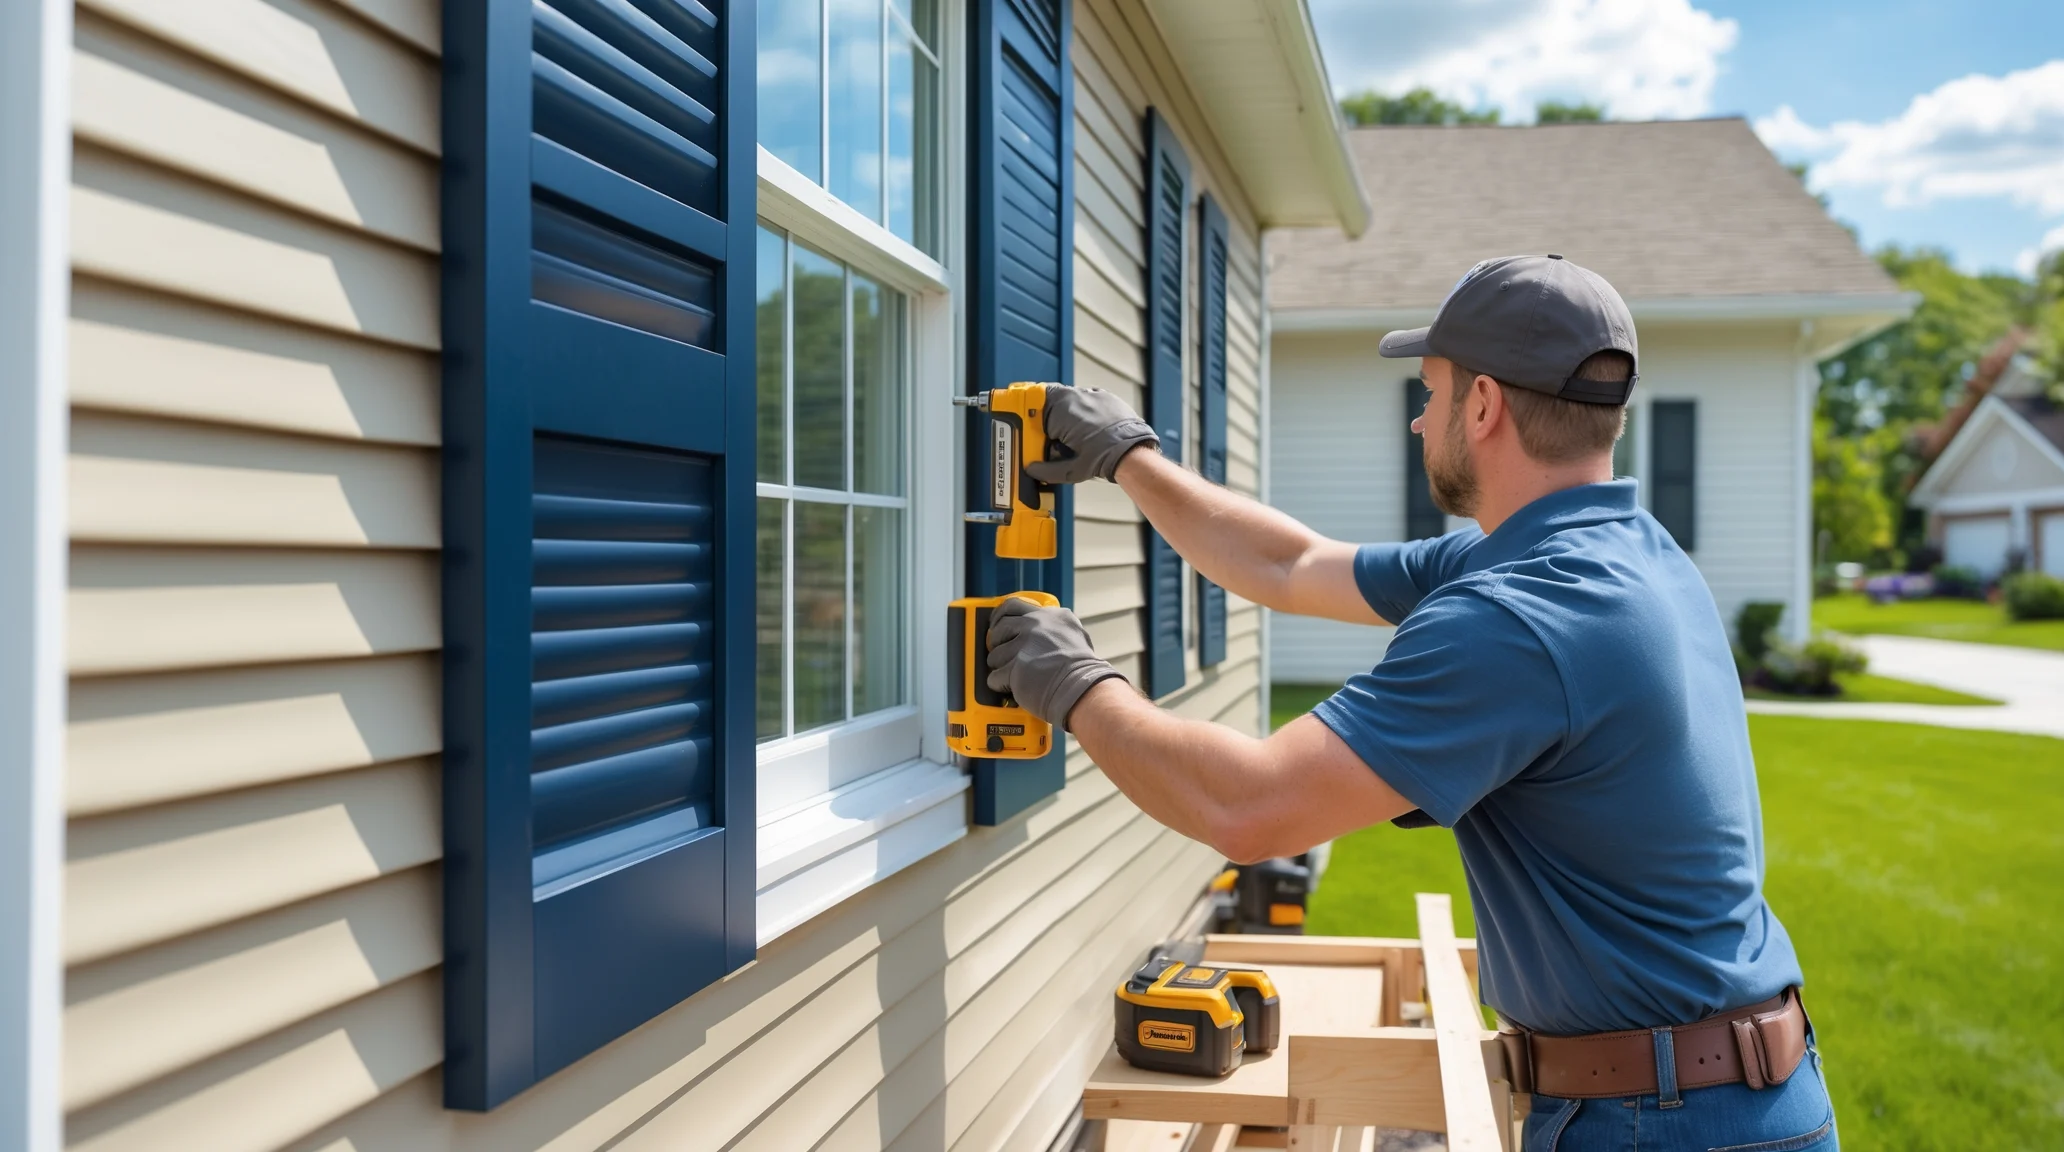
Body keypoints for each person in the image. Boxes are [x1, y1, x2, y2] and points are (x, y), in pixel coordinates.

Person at [984, 255, 1835, 1150]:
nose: (1419, 420)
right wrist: (1128, 458)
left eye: (1428, 393)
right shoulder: (1616, 551)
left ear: (1484, 406)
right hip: (1711, 1095)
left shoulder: (1521, 616)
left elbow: (1252, 807)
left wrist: (1075, 684)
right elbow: (1290, 565)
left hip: (1663, 1120)